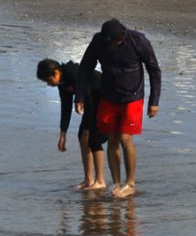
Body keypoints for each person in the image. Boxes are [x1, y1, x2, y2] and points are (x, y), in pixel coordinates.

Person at [77, 19, 161, 198]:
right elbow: (85, 68)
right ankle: (117, 184)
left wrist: (154, 101)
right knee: (112, 138)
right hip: (109, 96)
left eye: (120, 40)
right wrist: (80, 96)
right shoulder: (99, 42)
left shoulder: (138, 40)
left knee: (125, 138)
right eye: (115, 42)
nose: (119, 43)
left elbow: (154, 69)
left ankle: (130, 184)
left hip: (132, 97)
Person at [37, 58, 107, 190]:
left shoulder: (74, 72)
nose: (48, 84)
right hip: (90, 100)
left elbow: (87, 94)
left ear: (56, 73)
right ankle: (88, 179)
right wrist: (63, 133)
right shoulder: (62, 83)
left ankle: (100, 181)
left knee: (92, 137)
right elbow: (66, 106)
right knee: (83, 136)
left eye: (48, 80)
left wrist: (88, 124)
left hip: (102, 96)